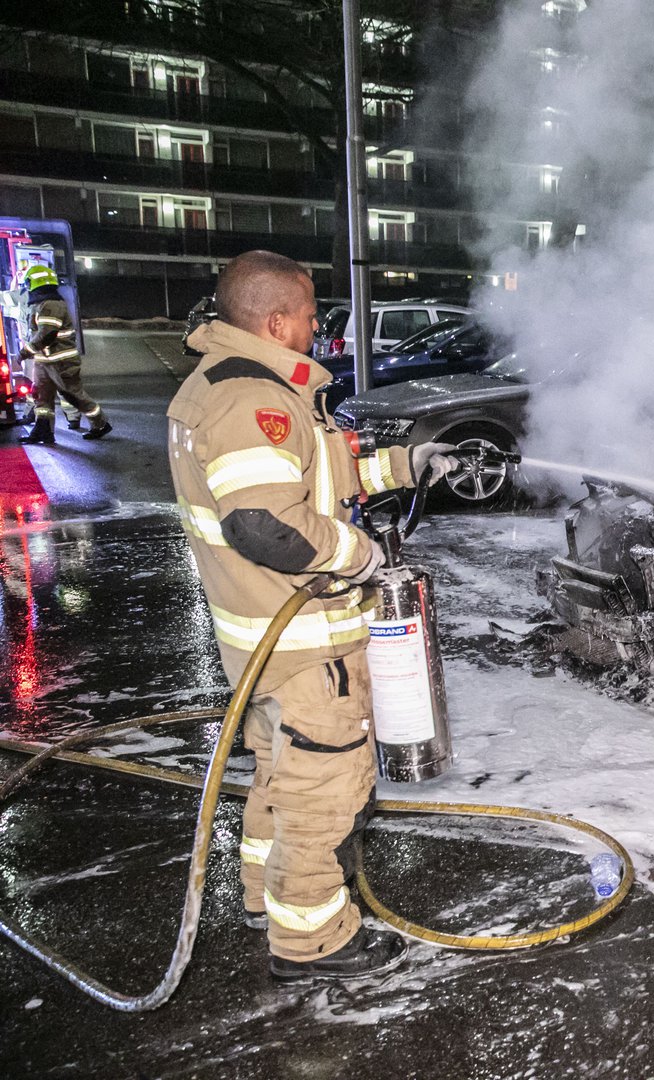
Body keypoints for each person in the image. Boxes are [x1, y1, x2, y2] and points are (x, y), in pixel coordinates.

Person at [167, 250, 457, 981]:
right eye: (307, 312)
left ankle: (265, 900)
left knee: (279, 776)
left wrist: (407, 465)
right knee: (327, 793)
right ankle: (314, 940)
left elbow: (313, 475)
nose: (316, 325)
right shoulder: (247, 400)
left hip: (267, 647)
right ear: (275, 320)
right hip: (304, 649)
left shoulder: (245, 389)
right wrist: (357, 555)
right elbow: (267, 525)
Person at [18, 262, 111, 444]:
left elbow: (46, 334)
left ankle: (101, 424)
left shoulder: (52, 305)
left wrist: (23, 353)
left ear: (35, 284)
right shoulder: (42, 304)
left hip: (61, 362)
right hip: (45, 362)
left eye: (28, 283)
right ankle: (43, 430)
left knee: (74, 396)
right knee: (41, 397)